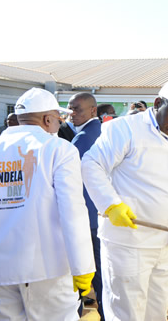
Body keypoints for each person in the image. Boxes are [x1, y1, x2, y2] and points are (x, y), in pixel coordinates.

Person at [81, 80, 168, 321]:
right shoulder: (124, 129)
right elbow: (91, 164)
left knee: (156, 310)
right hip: (129, 243)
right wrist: (110, 204)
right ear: (158, 103)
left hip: (166, 242)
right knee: (127, 311)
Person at [0, 88, 95, 320]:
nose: (60, 123)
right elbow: (72, 211)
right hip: (47, 269)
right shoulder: (59, 149)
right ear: (47, 119)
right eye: (58, 118)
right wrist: (83, 266)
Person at [68, 92, 104, 319]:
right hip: (98, 214)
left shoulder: (83, 139)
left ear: (93, 110)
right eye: (70, 109)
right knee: (100, 272)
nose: (71, 114)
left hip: (87, 217)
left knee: (88, 270)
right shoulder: (100, 132)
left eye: (77, 109)